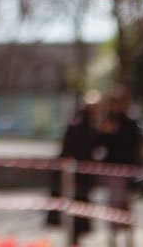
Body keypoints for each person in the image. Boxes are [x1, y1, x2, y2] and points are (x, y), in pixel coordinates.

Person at [47, 91, 101, 246]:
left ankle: (75, 239)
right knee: (74, 206)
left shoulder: (88, 124)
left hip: (82, 175)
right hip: (75, 176)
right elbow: (69, 151)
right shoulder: (79, 124)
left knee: (79, 208)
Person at [98, 86, 142, 247]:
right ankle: (113, 238)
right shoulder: (107, 120)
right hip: (112, 170)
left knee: (126, 205)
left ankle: (129, 238)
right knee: (113, 204)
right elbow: (100, 143)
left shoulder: (130, 122)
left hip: (127, 170)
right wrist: (106, 132)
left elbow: (134, 145)